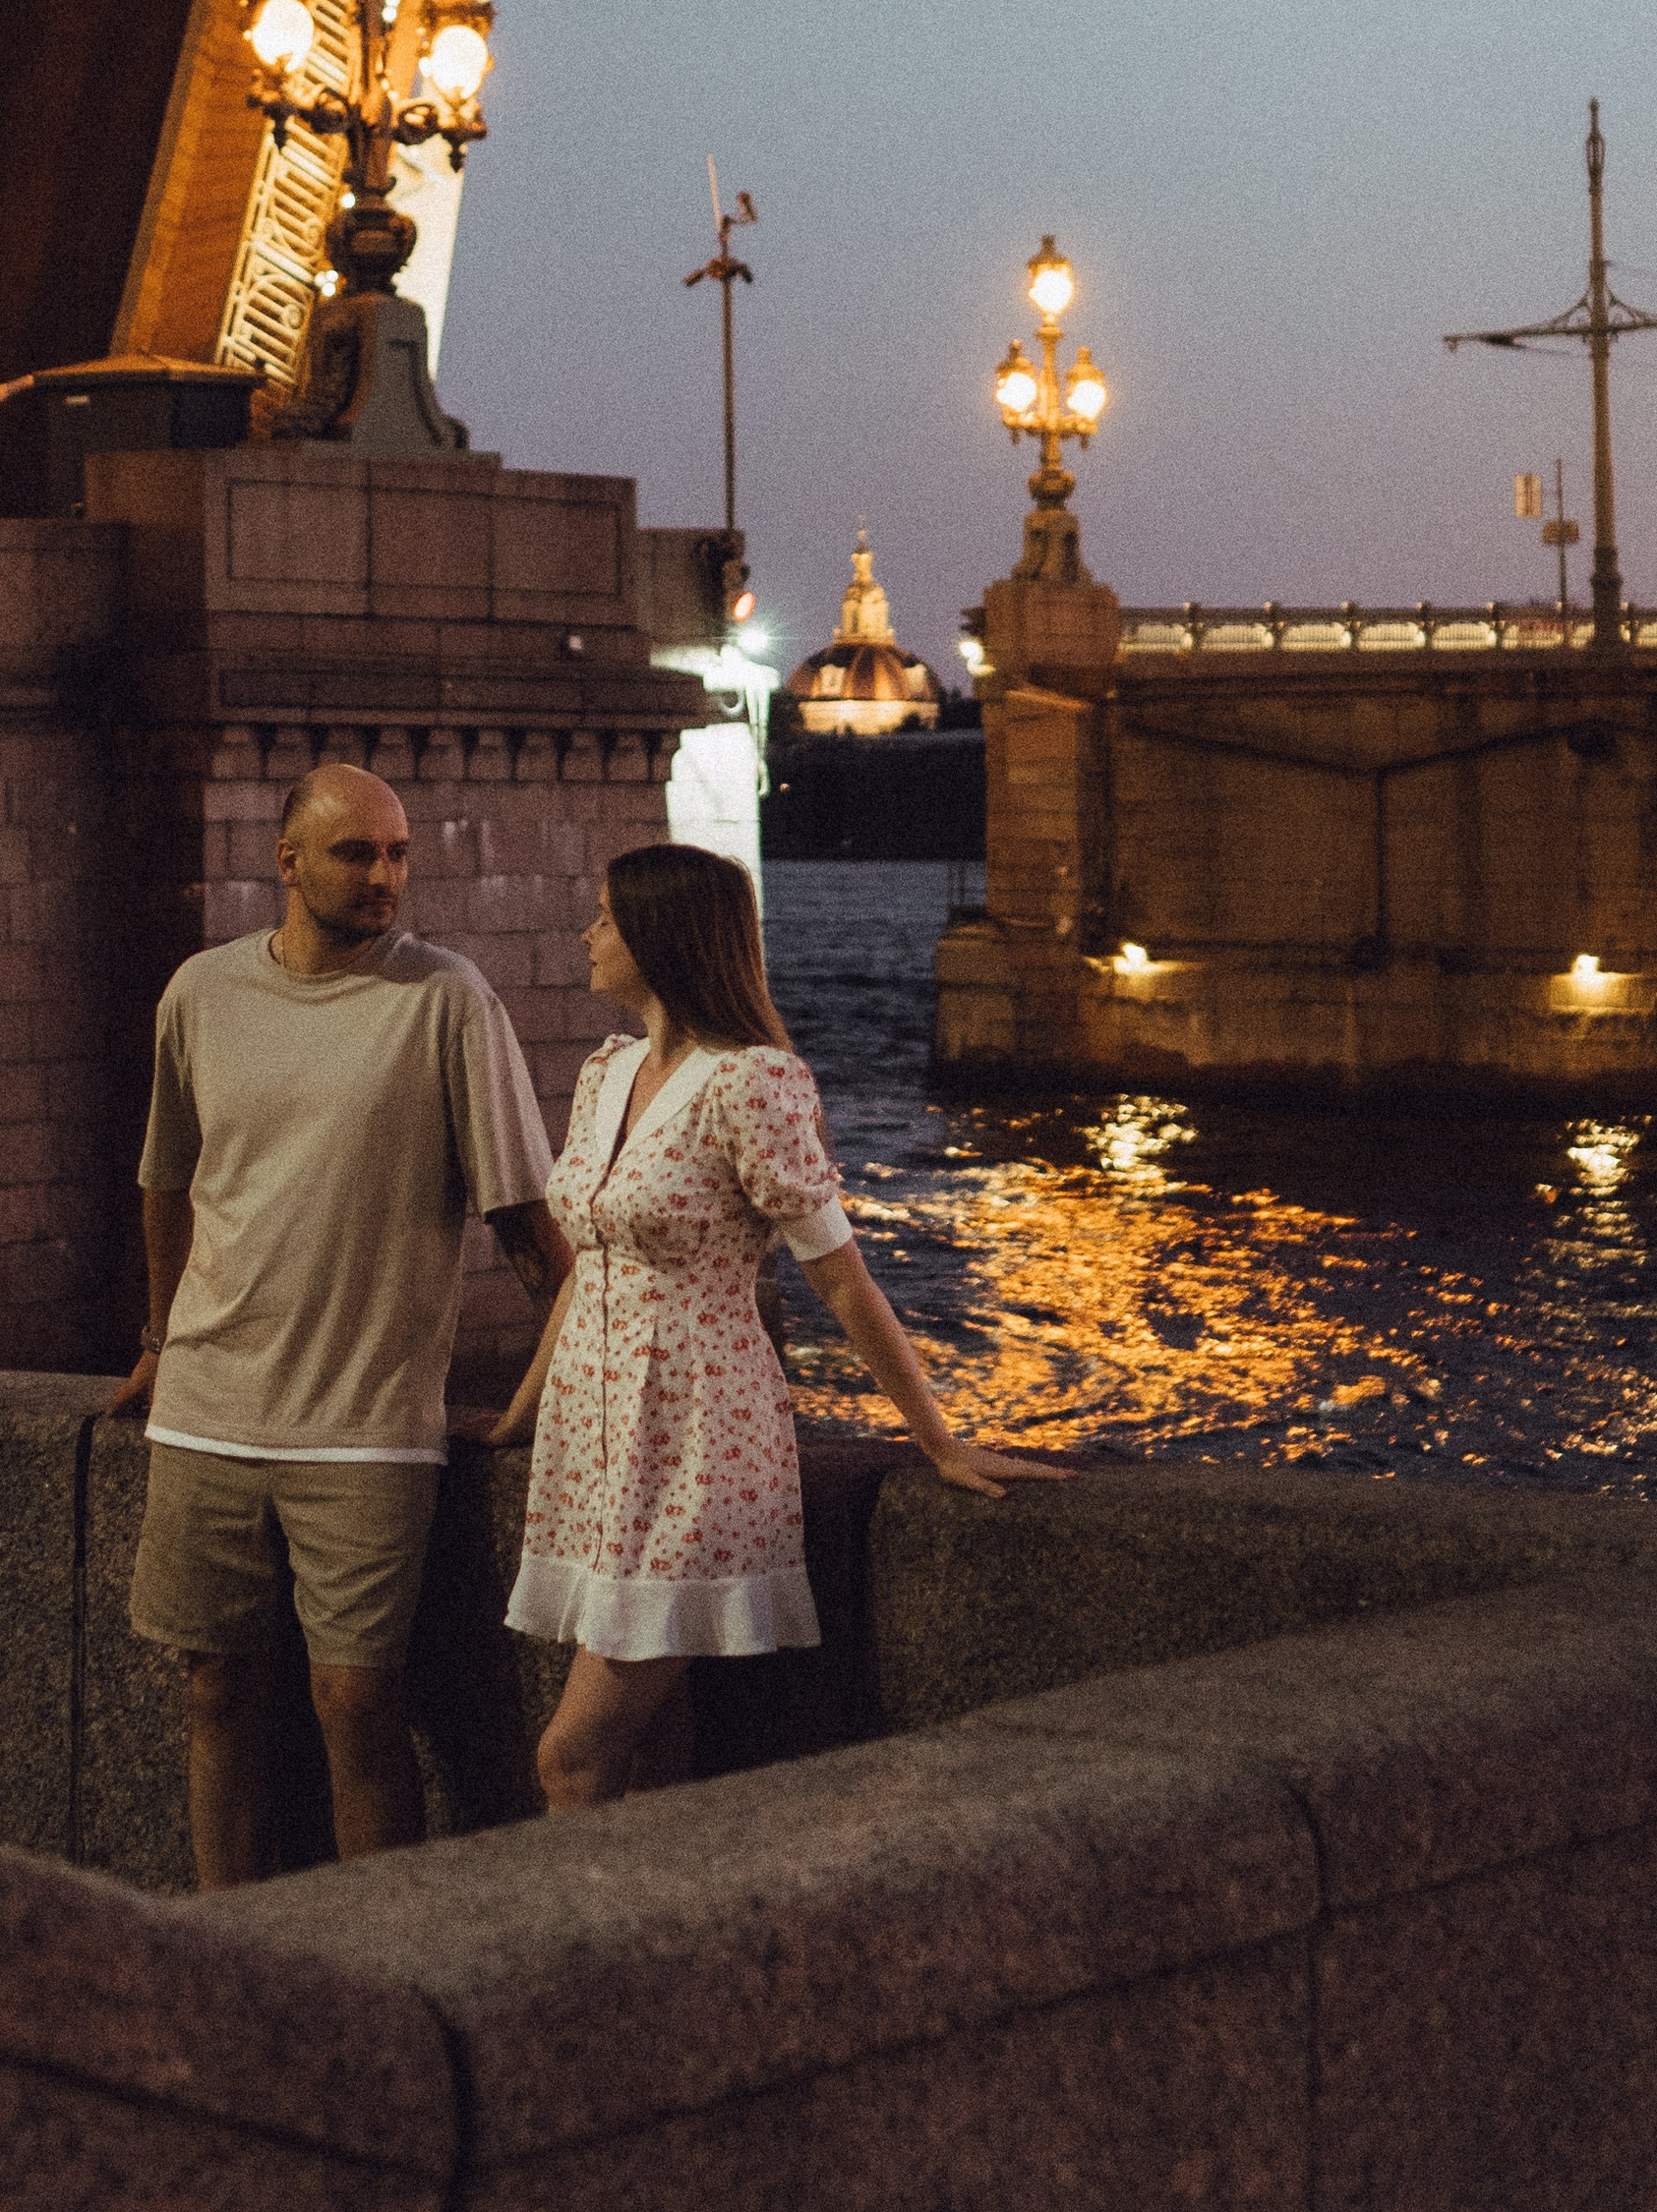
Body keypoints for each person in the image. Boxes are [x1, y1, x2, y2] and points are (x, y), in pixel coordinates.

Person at [490, 840, 1063, 1809]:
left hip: (699, 1443)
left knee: (570, 1759)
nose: (584, 935)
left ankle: (577, 1951)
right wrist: (514, 1418)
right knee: (653, 1749)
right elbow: (591, 1265)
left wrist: (939, 1438)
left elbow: (840, 1283)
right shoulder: (606, 1071)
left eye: (603, 918)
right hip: (593, 1446)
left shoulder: (751, 1083)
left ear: (660, 937)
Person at [110, 760, 568, 1888]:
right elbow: (167, 1179)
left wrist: (559, 1389)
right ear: (288, 862)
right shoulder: (201, 993)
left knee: (358, 1703)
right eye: (358, 853)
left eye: (399, 854)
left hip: (366, 1427)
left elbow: (524, 1219)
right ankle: (227, 1936)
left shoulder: (448, 998)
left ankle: (374, 1951)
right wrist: (159, 1342)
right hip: (209, 1411)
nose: (385, 877)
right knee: (215, 1686)